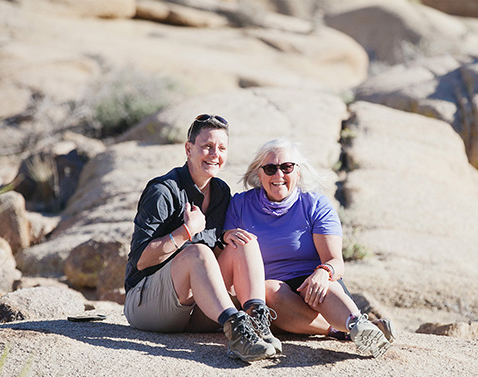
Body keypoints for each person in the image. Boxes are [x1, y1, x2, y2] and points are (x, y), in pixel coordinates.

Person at [124, 114, 280, 362]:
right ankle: (237, 333)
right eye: (206, 146)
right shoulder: (163, 191)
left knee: (244, 241)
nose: (214, 154)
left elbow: (216, 256)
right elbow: (141, 261)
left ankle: (256, 322)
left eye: (221, 148)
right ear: (189, 149)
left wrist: (226, 237)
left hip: (196, 308)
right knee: (197, 252)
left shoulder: (220, 192)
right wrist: (185, 232)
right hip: (148, 305)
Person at [223, 138, 392, 357]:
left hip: (312, 286)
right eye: (270, 168)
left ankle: (357, 325)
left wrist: (324, 272)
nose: (278, 175)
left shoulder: (315, 205)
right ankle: (340, 333)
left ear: (298, 172)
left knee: (323, 284)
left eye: (286, 167)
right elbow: (227, 255)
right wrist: (226, 235)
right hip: (270, 297)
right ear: (259, 173)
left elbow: (335, 261)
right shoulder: (239, 205)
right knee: (268, 290)